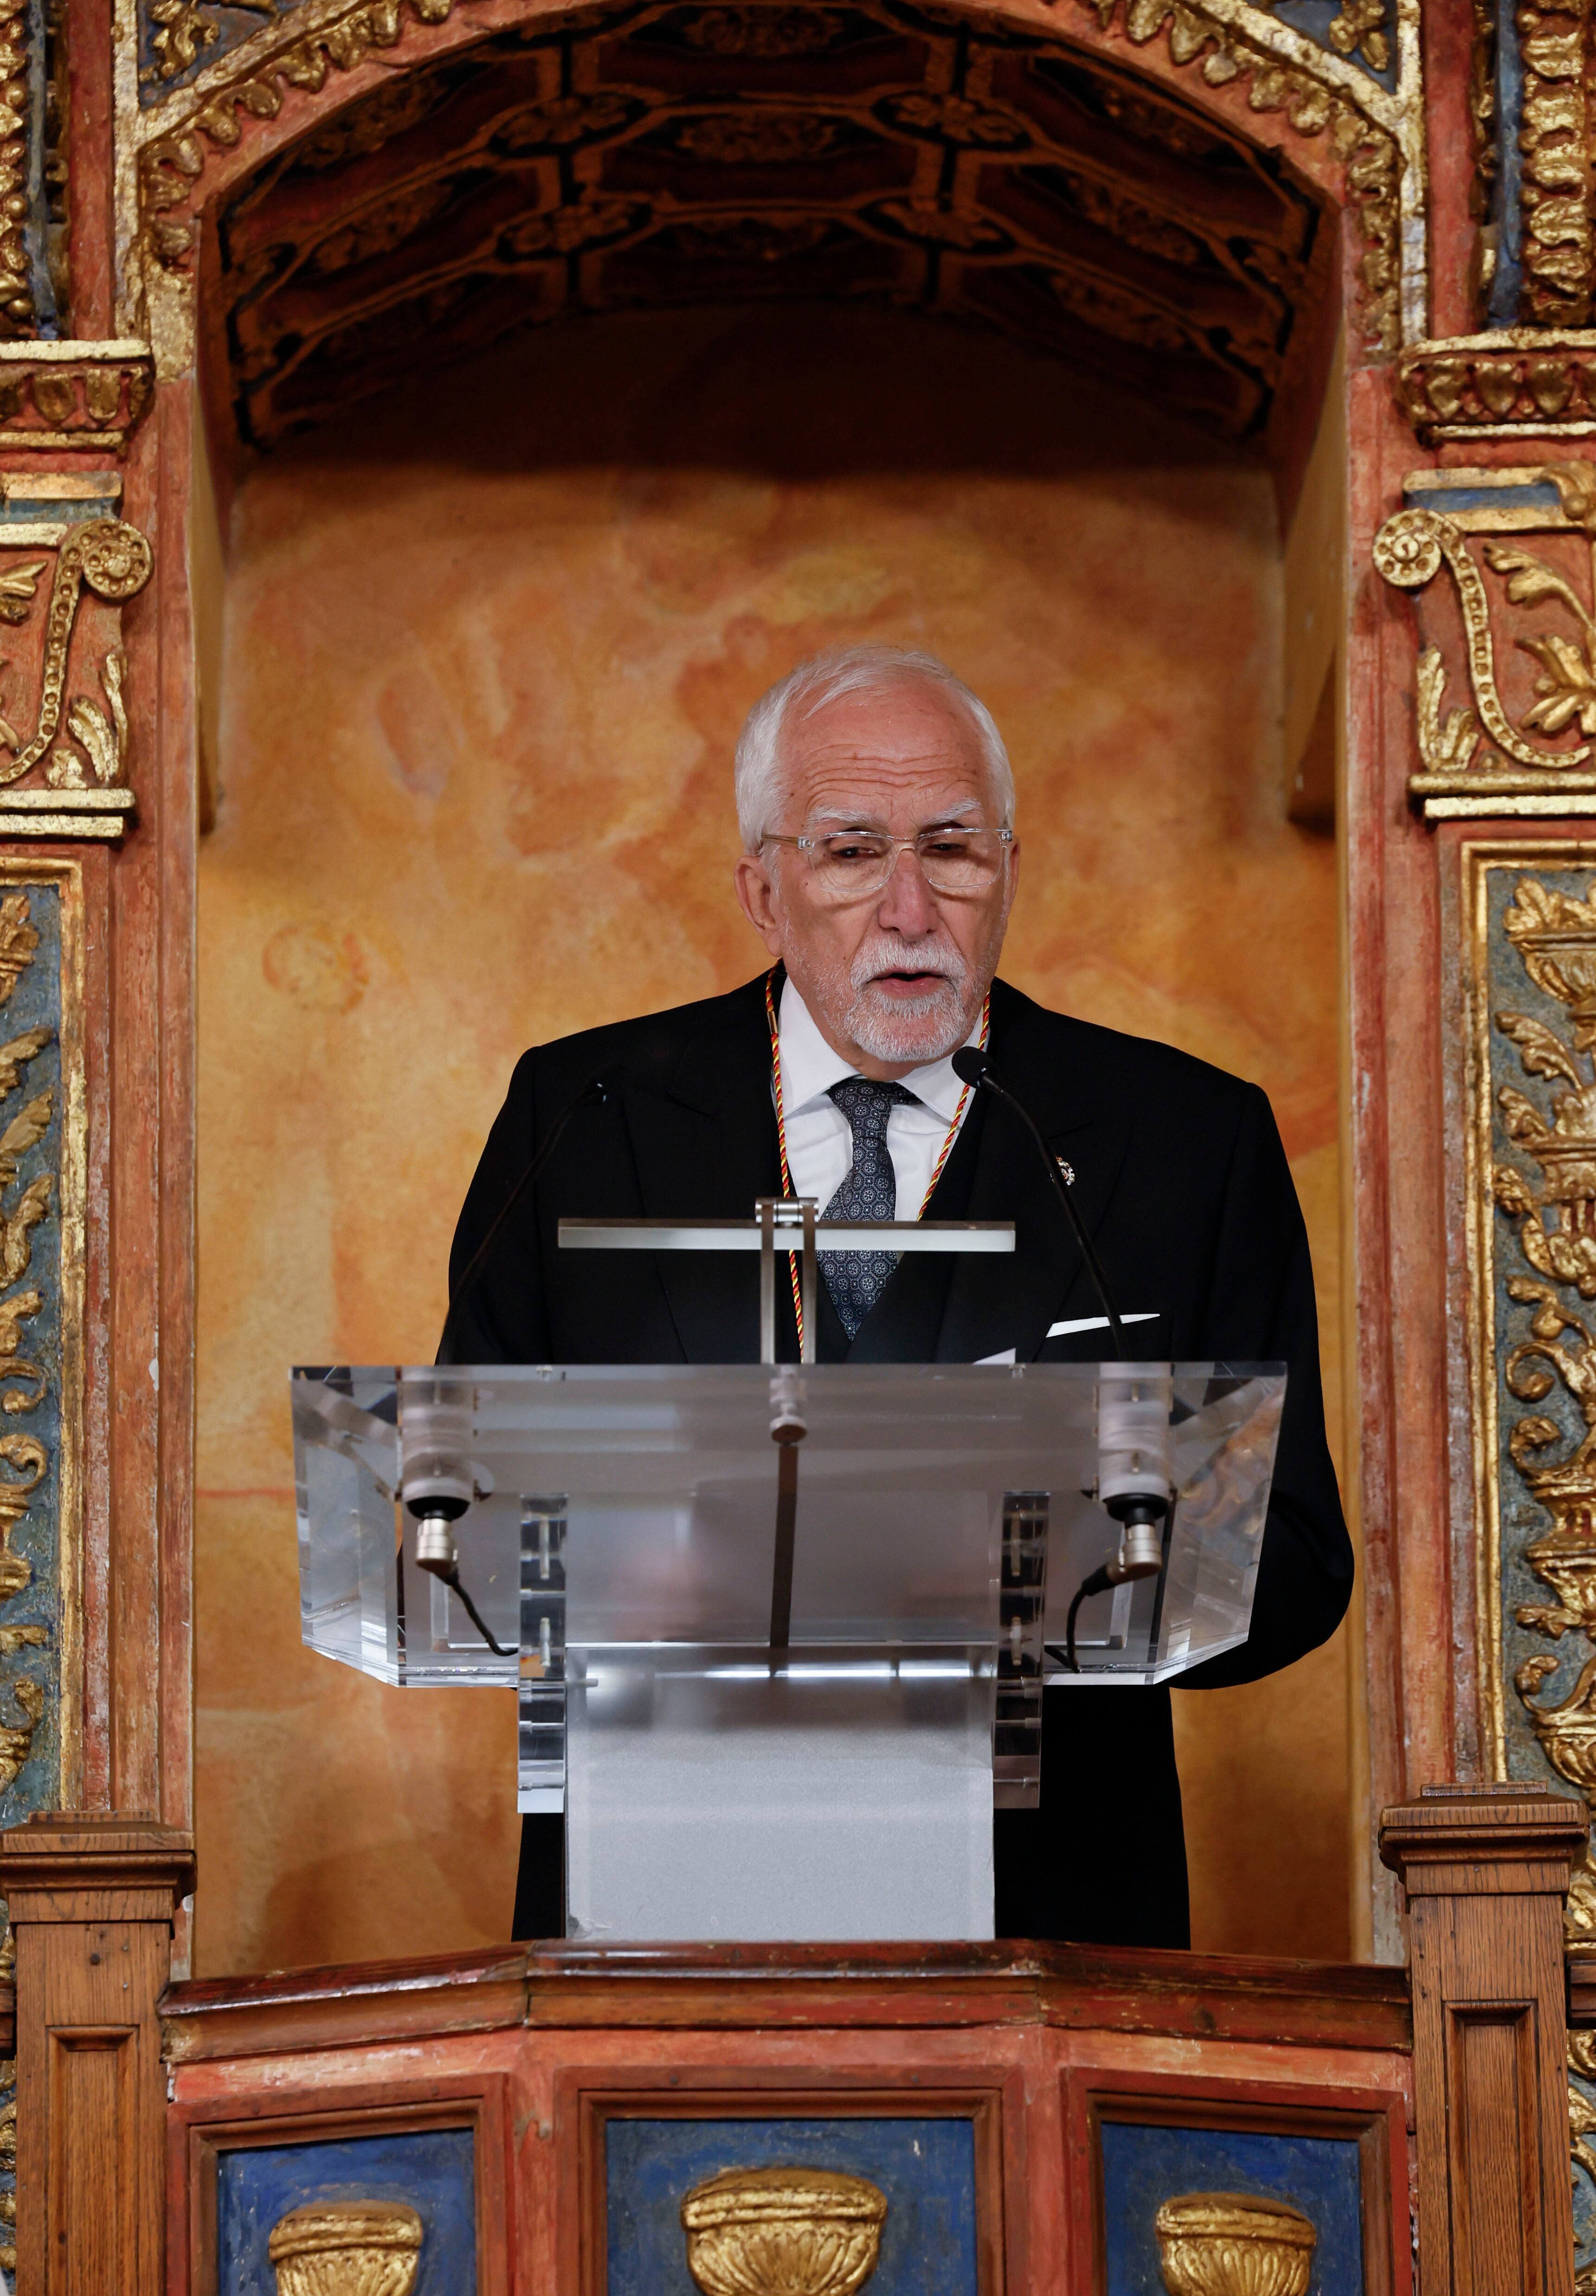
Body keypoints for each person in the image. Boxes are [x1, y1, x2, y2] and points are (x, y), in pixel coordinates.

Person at [445, 643, 1351, 1946]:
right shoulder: (581, 1115)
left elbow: (1300, 1564)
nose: (911, 909)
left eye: (954, 849)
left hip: (1052, 1926)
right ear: (764, 887)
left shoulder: (1185, 1137)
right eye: (852, 851)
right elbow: (460, 1519)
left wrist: (1053, 1560)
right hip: (653, 1915)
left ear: (1011, 873)